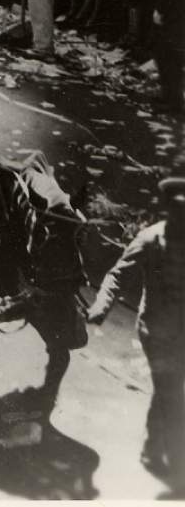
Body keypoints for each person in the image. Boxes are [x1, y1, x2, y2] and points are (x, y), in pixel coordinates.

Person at [89, 175, 185, 484]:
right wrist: (101, 307)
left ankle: (154, 445)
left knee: (169, 388)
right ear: (168, 209)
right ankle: (162, 454)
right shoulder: (149, 239)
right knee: (169, 386)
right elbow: (118, 276)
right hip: (156, 331)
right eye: (178, 209)